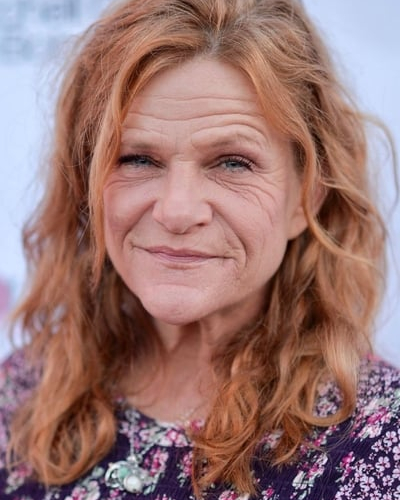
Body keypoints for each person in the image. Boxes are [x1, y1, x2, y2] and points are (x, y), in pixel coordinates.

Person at [0, 0, 399, 498]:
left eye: (232, 163)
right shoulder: (24, 395)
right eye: (137, 159)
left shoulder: (377, 443)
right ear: (87, 184)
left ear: (306, 197)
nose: (177, 210)